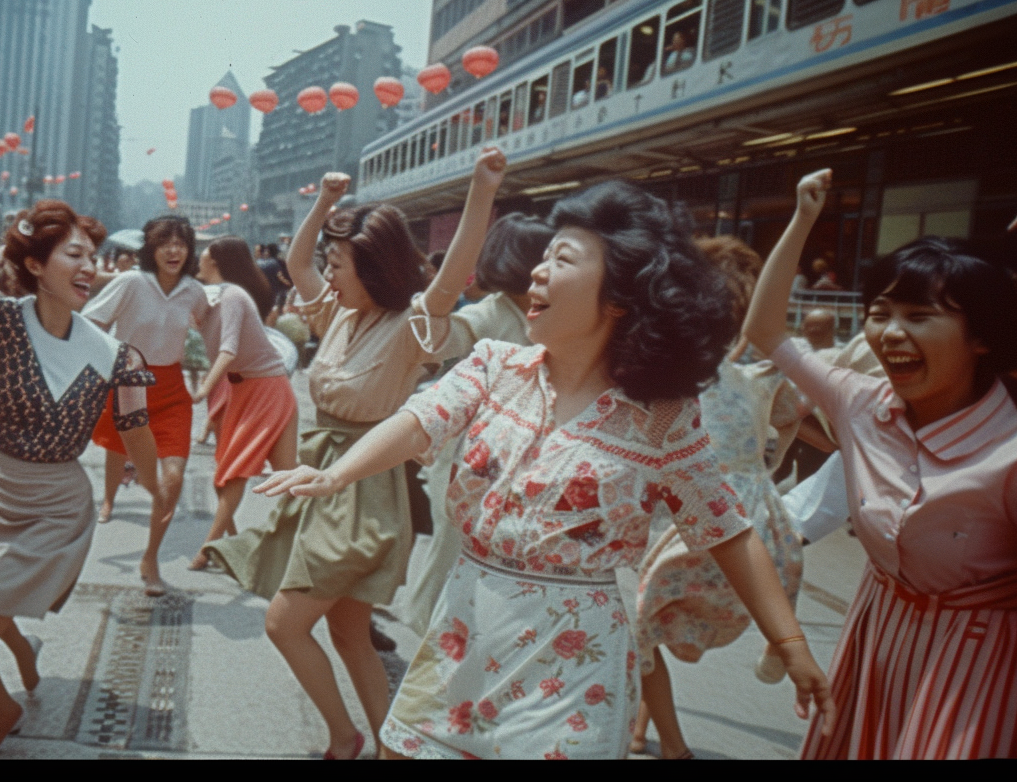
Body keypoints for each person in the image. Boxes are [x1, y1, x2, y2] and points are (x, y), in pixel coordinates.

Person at [258, 179, 834, 760]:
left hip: (572, 664)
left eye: (562, 259)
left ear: (619, 297)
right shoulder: (494, 365)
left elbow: (727, 530)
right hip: (463, 634)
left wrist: (788, 640)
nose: (536, 272)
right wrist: (336, 475)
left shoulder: (662, 419)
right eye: (543, 256)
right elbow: (417, 420)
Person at [205, 147, 510, 760]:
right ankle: (391, 748)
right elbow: (295, 261)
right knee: (349, 632)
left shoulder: (411, 327)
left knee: (285, 623)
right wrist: (324, 203)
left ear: (373, 266)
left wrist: (483, 188)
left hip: (366, 491)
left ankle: (346, 738)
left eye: (339, 263)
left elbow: (452, 275)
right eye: (330, 262)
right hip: (321, 483)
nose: (329, 273)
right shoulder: (338, 316)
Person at [744, 169, 1017, 760]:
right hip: (875, 634)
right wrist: (801, 221)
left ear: (983, 337)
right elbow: (765, 332)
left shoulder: (1010, 452)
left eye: (919, 317)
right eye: (879, 312)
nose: (889, 334)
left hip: (977, 661)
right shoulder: (861, 401)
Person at [0, 187, 166, 760]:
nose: (89, 268)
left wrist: (155, 484)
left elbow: (134, 428)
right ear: (34, 264)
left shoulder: (115, 354)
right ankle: (6, 699)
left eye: (92, 257)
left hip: (55, 506)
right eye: (74, 255)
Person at [629, 236, 806, 759]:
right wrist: (770, 460)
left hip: (691, 516)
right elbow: (791, 414)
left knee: (642, 626)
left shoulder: (673, 376)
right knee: (649, 627)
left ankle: (674, 745)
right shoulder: (757, 377)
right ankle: (647, 731)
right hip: (745, 508)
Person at [399, 213, 554, 636]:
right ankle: (430, 632)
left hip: (533, 464)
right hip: (470, 463)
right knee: (451, 552)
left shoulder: (557, 314)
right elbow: (440, 336)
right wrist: (432, 303)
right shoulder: (490, 313)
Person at [85, 215, 209, 596]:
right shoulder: (130, 282)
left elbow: (210, 330)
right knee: (115, 446)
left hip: (171, 391)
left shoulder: (194, 291)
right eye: (164, 242)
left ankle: (150, 556)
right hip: (127, 383)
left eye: (181, 243)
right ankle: (107, 500)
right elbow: (91, 323)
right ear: (150, 249)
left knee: (171, 481)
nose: (173, 250)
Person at [186, 236, 298, 572]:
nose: (198, 260)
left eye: (204, 255)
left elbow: (229, 350)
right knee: (241, 472)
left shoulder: (234, 297)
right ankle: (230, 545)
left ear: (217, 262)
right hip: (239, 390)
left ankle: (208, 549)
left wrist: (203, 388)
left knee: (238, 472)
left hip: (265, 388)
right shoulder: (210, 302)